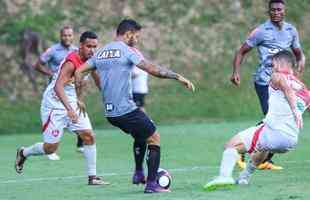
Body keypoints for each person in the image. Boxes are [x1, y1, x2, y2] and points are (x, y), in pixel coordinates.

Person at [75, 19, 195, 193]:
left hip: (110, 114)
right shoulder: (127, 50)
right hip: (126, 110)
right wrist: (177, 77)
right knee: (154, 137)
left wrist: (79, 98)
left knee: (141, 135)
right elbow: (152, 69)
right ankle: (152, 184)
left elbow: (79, 71)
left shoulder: (100, 52)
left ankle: (139, 173)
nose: (137, 40)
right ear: (129, 34)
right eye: (136, 36)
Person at [204, 50, 309, 191]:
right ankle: (244, 177)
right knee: (263, 146)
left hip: (274, 131)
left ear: (279, 62)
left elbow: (285, 87)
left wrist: (294, 109)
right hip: (290, 140)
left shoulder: (278, 76)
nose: (272, 67)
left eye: (273, 64)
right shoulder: (304, 89)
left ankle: (224, 176)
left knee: (230, 146)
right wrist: (297, 111)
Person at [15, 31, 108, 185]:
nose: (92, 50)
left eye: (94, 47)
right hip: (54, 104)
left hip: (70, 101)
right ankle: (24, 152)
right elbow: (58, 86)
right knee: (50, 148)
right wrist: (70, 109)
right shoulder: (71, 62)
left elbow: (94, 81)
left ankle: (93, 177)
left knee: (89, 136)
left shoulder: (92, 61)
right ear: (81, 46)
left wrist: (80, 99)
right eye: (88, 46)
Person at [230, 0, 305, 170]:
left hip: (284, 82)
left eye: (279, 9)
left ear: (284, 11)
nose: (276, 12)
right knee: (270, 117)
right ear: (269, 12)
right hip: (264, 81)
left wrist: (301, 61)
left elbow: (298, 53)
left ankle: (265, 159)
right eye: (273, 10)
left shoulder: (291, 30)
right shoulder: (261, 31)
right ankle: (241, 151)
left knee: (274, 120)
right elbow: (241, 51)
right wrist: (236, 72)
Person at [34, 26, 84, 160]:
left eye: (69, 35)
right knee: (56, 118)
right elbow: (37, 65)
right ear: (60, 36)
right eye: (64, 35)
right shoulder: (53, 50)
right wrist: (51, 73)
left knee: (78, 114)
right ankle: (50, 148)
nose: (67, 38)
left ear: (73, 36)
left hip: (71, 91)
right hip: (55, 92)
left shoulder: (75, 51)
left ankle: (81, 144)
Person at [132, 48, 149, 112]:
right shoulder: (144, 66)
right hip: (141, 90)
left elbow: (134, 75)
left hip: (138, 90)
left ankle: (145, 120)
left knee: (139, 107)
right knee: (140, 107)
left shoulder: (139, 67)